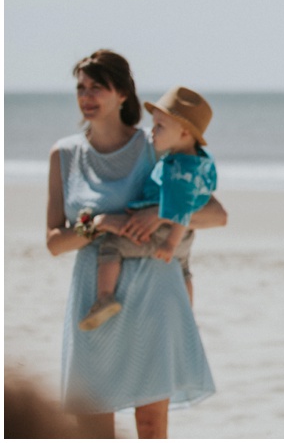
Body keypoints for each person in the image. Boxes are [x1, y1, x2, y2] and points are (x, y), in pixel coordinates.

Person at [47, 49, 226, 438]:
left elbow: (216, 214)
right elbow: (54, 243)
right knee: (93, 425)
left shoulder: (157, 144)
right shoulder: (64, 154)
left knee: (150, 425)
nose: (86, 96)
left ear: (123, 93)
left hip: (153, 293)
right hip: (94, 298)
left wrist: (159, 214)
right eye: (81, 87)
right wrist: (98, 224)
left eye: (98, 87)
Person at [79, 86, 217, 331]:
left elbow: (182, 207)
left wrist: (169, 243)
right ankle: (187, 315)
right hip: (184, 235)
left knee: (111, 247)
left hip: (165, 233)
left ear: (184, 132)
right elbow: (201, 198)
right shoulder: (201, 161)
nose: (153, 130)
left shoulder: (178, 168)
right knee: (183, 269)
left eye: (160, 126)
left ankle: (104, 298)